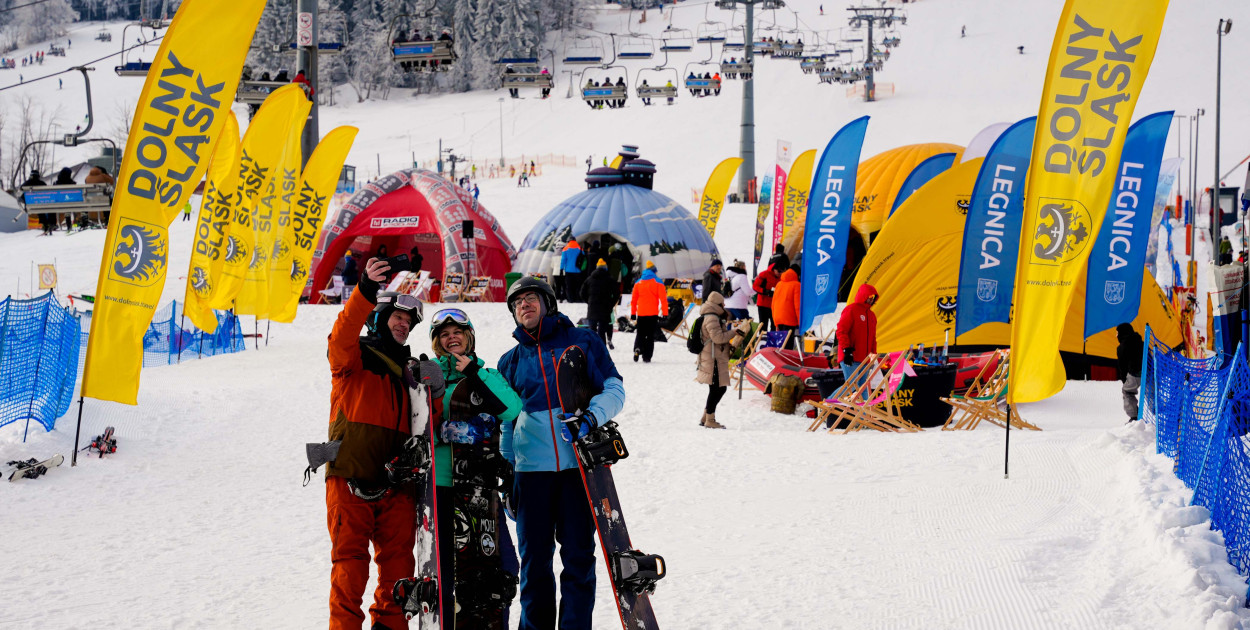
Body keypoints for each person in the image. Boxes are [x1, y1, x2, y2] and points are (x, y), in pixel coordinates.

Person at [496, 277, 625, 630]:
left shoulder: (582, 341)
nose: (524, 304)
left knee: (578, 559)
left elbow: (614, 389)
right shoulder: (509, 361)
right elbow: (508, 422)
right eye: (517, 301)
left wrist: (590, 418)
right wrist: (508, 474)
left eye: (531, 298)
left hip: (577, 472)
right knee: (534, 564)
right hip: (530, 476)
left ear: (548, 303)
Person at [323, 258, 445, 630]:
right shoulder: (353, 357)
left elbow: (428, 425)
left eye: (408, 323)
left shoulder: (412, 371)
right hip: (351, 474)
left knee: (399, 570)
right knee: (350, 566)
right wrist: (364, 291)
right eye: (397, 318)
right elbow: (340, 335)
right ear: (379, 318)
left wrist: (434, 391)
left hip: (396, 482)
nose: (403, 325)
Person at [428, 308, 522, 625]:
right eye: (444, 334)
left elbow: (512, 410)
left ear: (469, 337)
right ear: (438, 343)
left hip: (479, 486)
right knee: (449, 571)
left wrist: (473, 375)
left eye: (457, 331)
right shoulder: (429, 378)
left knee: (502, 565)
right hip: (440, 486)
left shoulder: (488, 374)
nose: (451, 337)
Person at [696, 291, 748, 429]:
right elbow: (718, 338)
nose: (724, 305)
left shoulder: (711, 315)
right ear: (717, 304)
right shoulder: (712, 318)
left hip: (713, 356)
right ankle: (710, 420)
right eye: (722, 303)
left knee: (716, 388)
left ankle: (706, 417)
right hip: (712, 358)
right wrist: (733, 332)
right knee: (718, 389)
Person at [835, 284, 879, 386]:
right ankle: (829, 402)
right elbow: (841, 330)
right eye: (869, 296)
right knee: (851, 386)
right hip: (851, 356)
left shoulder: (872, 316)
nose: (871, 300)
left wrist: (873, 353)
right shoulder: (851, 309)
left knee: (863, 387)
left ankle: (863, 402)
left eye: (873, 297)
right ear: (864, 295)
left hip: (865, 359)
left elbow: (872, 338)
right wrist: (847, 350)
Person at [630, 262, 668, 363]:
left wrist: (633, 313)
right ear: (654, 271)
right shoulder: (658, 282)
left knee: (640, 333)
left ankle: (637, 348)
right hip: (652, 314)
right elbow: (663, 300)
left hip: (641, 313)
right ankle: (647, 357)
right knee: (650, 336)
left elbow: (633, 300)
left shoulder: (638, 282)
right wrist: (665, 313)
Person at [582, 259, 620, 349]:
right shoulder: (610, 279)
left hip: (593, 307)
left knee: (592, 329)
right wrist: (611, 303)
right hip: (605, 307)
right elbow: (617, 293)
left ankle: (592, 347)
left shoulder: (589, 279)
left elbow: (582, 293)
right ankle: (602, 348)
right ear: (606, 268)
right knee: (602, 330)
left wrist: (589, 301)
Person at [1117, 323, 1144, 422]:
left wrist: (1124, 380)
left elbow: (1122, 367)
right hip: (1148, 373)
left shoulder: (1122, 347)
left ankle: (1134, 417)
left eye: (1117, 333)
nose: (1116, 335)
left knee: (1127, 391)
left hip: (1135, 374)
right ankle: (1159, 411)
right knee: (1151, 393)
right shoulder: (1141, 342)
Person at [772, 265, 802, 350]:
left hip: (778, 318)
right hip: (789, 319)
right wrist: (800, 322)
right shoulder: (797, 285)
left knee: (781, 344)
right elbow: (797, 306)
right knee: (788, 346)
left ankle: (779, 360)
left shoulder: (779, 284)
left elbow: (773, 303)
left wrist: (775, 322)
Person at [752, 257, 783, 331]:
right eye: (779, 271)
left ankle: (772, 340)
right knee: (763, 325)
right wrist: (765, 291)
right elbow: (755, 286)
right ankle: (762, 340)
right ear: (774, 269)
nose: (780, 274)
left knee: (774, 325)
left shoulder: (781, 277)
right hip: (763, 304)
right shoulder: (764, 274)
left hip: (774, 305)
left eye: (781, 272)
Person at [560, 239, 585, 303]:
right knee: (578, 285)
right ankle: (577, 298)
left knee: (569, 286)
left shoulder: (565, 248)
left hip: (568, 270)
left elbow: (563, 260)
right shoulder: (580, 248)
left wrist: (561, 268)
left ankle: (570, 299)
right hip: (578, 270)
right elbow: (583, 258)